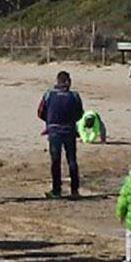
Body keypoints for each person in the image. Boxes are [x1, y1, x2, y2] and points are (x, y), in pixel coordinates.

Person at [37, 70, 84, 199]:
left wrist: (50, 121)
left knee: (56, 161)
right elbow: (80, 113)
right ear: (67, 82)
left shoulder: (49, 95)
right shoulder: (74, 96)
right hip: (67, 130)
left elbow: (40, 112)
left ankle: (57, 190)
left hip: (55, 130)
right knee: (71, 160)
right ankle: (74, 190)